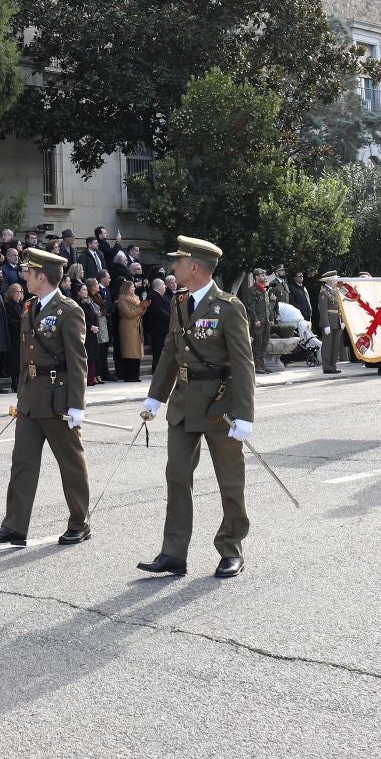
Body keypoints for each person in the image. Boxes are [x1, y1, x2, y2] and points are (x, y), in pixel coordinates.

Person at [137, 236, 254, 578]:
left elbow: (243, 364)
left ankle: (231, 548)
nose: (173, 266)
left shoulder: (229, 307)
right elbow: (171, 352)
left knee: (230, 481)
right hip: (184, 403)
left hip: (220, 405)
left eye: (179, 261)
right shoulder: (179, 302)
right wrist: (155, 397)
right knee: (176, 475)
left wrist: (245, 415)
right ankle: (173, 554)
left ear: (196, 267)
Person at [0, 247, 92, 547]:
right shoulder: (30, 307)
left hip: (58, 400)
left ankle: (80, 522)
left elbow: (77, 360)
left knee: (70, 463)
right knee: (23, 463)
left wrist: (76, 404)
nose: (24, 276)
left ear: (42, 276)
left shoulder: (69, 310)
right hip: (31, 398)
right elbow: (25, 357)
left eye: (29, 272)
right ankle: (15, 526)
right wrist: (21, 394)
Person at [115, 278, 146, 382]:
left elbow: (140, 313)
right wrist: (140, 308)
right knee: (129, 351)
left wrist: (144, 307)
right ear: (127, 288)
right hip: (128, 326)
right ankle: (129, 376)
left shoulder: (136, 297)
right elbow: (128, 314)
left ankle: (136, 375)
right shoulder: (122, 298)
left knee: (137, 351)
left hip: (137, 325)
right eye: (132, 286)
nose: (134, 288)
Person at [318, 272, 346, 375]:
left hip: (337, 321)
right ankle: (327, 367)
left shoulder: (336, 291)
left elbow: (341, 307)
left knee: (335, 345)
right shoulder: (323, 292)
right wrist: (326, 325)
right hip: (329, 322)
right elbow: (323, 310)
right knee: (327, 346)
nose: (335, 280)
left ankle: (333, 366)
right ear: (328, 280)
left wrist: (342, 320)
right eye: (333, 278)